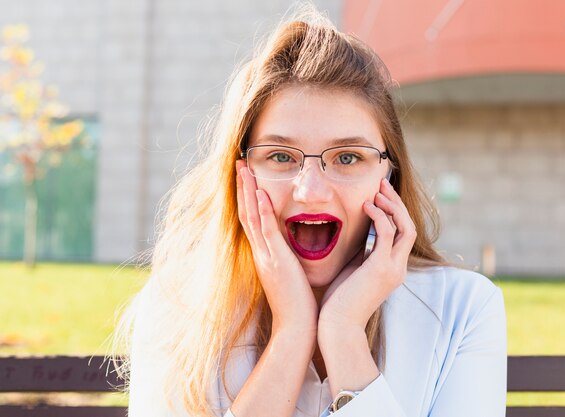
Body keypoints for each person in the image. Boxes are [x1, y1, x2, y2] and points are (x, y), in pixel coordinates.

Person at [111, 4, 507, 417]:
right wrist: (292, 334)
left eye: (348, 157)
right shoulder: (177, 307)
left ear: (388, 176)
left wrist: (343, 334)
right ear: (239, 172)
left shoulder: (462, 309)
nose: (312, 191)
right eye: (281, 156)